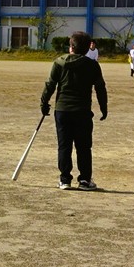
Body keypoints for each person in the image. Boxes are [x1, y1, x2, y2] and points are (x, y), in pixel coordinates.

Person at [40, 30, 108, 190]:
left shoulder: (59, 63)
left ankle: (65, 179)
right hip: (82, 111)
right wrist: (104, 108)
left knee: (64, 146)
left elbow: (50, 85)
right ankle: (84, 180)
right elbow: (100, 88)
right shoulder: (92, 65)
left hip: (62, 111)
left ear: (71, 47)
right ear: (86, 49)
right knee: (84, 147)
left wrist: (44, 103)